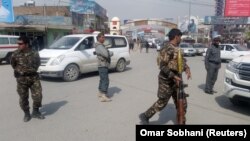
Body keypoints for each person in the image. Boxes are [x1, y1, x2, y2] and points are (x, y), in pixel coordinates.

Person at [139, 28, 192, 124]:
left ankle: (181, 121)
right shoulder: (167, 48)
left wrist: (187, 68)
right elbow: (162, 66)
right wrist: (173, 76)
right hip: (166, 80)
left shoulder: (177, 48)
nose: (181, 39)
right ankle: (145, 116)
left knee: (182, 103)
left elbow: (180, 62)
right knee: (162, 102)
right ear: (176, 37)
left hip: (177, 80)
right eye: (180, 37)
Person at [10, 36, 45, 122]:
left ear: (26, 44)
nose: (18, 45)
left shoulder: (34, 53)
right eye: (18, 43)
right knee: (23, 98)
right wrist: (20, 71)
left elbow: (38, 63)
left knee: (38, 96)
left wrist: (30, 70)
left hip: (34, 78)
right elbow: (13, 65)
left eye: (20, 43)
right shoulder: (15, 54)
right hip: (22, 79)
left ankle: (36, 112)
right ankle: (26, 113)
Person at [95, 33, 113, 102]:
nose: (104, 38)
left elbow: (105, 52)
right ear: (99, 38)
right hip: (103, 64)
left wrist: (107, 51)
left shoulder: (100, 45)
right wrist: (111, 53)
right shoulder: (99, 46)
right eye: (102, 37)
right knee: (105, 80)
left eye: (104, 37)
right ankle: (103, 96)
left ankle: (100, 93)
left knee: (102, 79)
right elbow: (106, 54)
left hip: (102, 64)